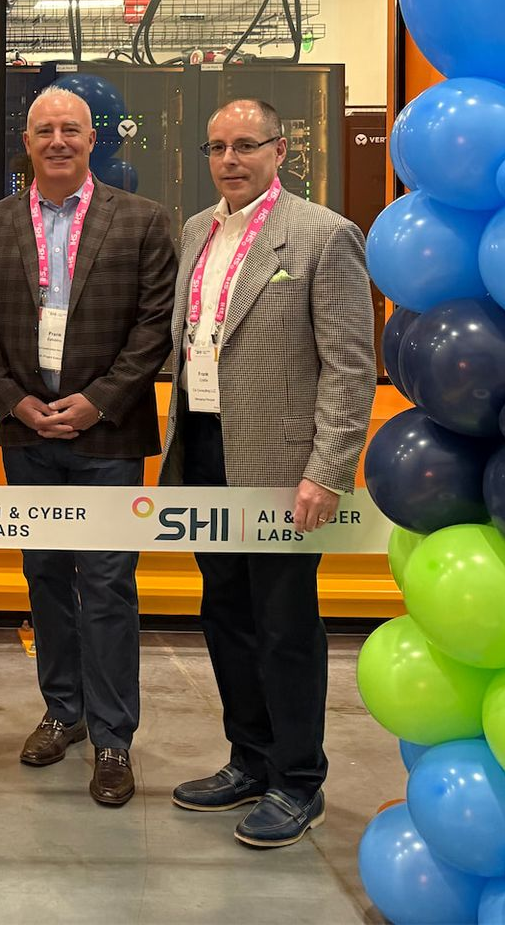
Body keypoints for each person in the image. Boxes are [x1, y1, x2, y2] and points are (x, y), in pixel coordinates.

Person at [161, 98, 375, 849]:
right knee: (225, 612)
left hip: (285, 467)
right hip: (206, 452)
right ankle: (248, 758)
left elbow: (351, 368)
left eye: (246, 145)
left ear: (280, 150)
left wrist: (328, 470)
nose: (230, 160)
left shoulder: (324, 235)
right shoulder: (196, 230)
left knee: (285, 624)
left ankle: (298, 780)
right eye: (217, 147)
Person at [0, 86, 175, 808]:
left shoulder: (143, 221)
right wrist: (14, 400)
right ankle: (64, 710)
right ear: (26, 140)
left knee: (109, 584)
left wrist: (97, 402)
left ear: (94, 139)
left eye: (71, 130)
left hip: (108, 436)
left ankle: (114, 739)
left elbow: (155, 326)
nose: (58, 140)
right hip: (27, 434)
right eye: (45, 130)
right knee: (46, 576)